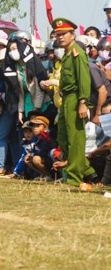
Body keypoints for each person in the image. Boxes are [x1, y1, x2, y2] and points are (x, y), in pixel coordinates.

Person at [51, 17, 97, 186]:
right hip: (66, 99)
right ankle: (86, 169)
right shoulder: (67, 54)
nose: (60, 37)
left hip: (76, 98)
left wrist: (83, 102)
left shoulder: (78, 53)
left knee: (75, 140)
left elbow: (84, 80)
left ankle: (74, 178)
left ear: (73, 35)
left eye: (64, 34)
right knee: (63, 138)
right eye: (57, 35)